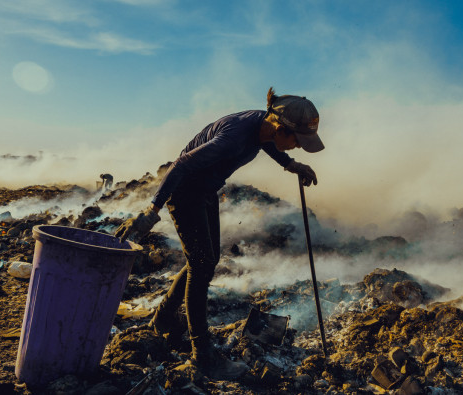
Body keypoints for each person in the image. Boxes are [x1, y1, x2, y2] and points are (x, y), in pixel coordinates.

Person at [115, 87, 323, 378]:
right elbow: (181, 164)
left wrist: (291, 164)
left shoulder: (263, 128)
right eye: (297, 141)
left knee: (205, 261)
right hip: (186, 192)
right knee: (201, 267)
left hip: (206, 190)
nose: (299, 145)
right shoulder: (233, 137)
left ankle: (162, 318)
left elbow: (267, 144)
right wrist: (152, 209)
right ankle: (203, 356)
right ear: (279, 127)